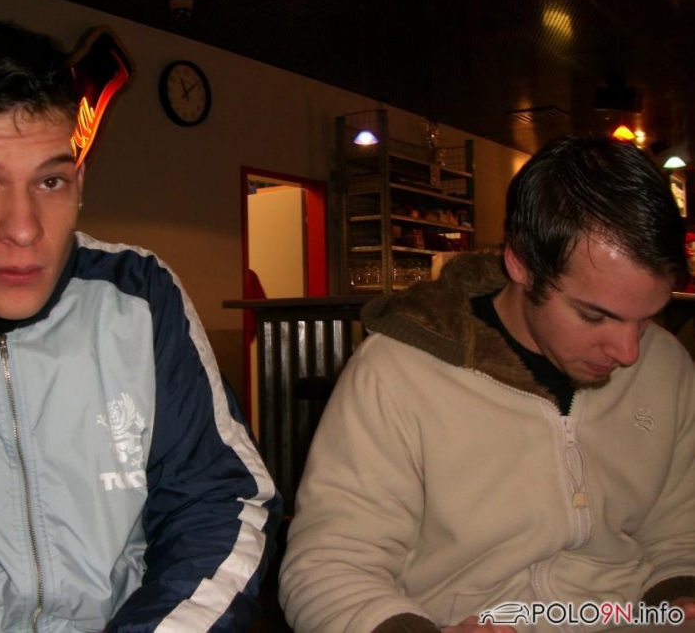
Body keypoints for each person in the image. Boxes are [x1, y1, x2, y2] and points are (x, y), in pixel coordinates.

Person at [0, 20, 281, 632]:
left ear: (77, 181)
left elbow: (217, 501)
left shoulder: (138, 293)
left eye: (49, 181)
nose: (24, 228)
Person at [279, 134, 695, 633]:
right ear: (522, 263)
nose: (629, 353)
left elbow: (680, 534)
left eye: (647, 319)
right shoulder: (395, 372)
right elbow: (328, 565)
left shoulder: (668, 366)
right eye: (594, 316)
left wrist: (681, 595)